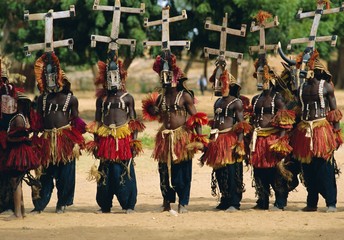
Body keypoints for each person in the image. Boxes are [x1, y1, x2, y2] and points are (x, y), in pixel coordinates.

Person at [142, 50, 208, 214]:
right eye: (163, 76)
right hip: (165, 139)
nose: (166, 79)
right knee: (164, 171)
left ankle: (183, 203)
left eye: (169, 75)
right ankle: (166, 202)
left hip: (182, 139)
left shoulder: (184, 96)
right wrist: (152, 109)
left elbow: (197, 118)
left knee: (183, 172)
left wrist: (199, 139)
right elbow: (155, 115)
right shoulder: (160, 98)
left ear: (175, 78)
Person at [86, 50, 144, 214]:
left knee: (125, 170)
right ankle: (105, 205)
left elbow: (133, 123)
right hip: (105, 140)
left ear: (121, 77)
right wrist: (96, 143)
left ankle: (128, 205)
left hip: (123, 139)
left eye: (115, 76)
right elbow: (97, 123)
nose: (113, 80)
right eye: (109, 76)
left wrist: (134, 142)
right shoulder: (102, 100)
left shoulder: (127, 98)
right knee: (104, 171)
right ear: (105, 78)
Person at [30, 52, 86, 214]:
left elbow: (75, 120)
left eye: (53, 77)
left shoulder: (70, 99)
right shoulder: (42, 99)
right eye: (47, 78)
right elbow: (39, 121)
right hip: (47, 140)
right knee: (44, 173)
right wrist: (33, 137)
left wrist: (81, 135)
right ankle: (39, 205)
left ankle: (62, 203)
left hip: (65, 140)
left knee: (66, 173)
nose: (50, 81)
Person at [290, 48, 342, 213]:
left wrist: (337, 133)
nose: (306, 71)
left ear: (315, 70)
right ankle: (311, 203)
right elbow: (298, 110)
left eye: (309, 68)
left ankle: (331, 203)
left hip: (321, 130)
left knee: (324, 168)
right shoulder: (300, 89)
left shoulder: (326, 87)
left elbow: (334, 111)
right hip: (304, 131)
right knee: (308, 168)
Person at [200, 56, 251, 212]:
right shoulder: (217, 102)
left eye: (223, 83)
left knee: (231, 171)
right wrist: (209, 142)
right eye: (219, 83)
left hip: (230, 140)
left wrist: (239, 144)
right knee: (220, 171)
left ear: (230, 85)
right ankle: (224, 199)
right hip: (218, 139)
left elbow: (242, 125)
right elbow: (215, 123)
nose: (220, 85)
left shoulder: (236, 102)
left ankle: (234, 202)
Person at [250, 56, 295, 211]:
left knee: (275, 171)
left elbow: (285, 119)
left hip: (273, 139)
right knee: (259, 171)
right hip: (259, 140)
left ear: (270, 77)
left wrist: (281, 142)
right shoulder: (255, 99)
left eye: (264, 76)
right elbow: (253, 120)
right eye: (259, 75)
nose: (261, 79)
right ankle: (262, 200)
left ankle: (280, 202)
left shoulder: (278, 98)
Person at [1, 92, 41, 220]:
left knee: (15, 182)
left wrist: (6, 139)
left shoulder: (18, 118)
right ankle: (21, 211)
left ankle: (17, 213)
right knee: (17, 181)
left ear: (20, 105)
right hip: (21, 153)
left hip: (18, 153)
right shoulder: (23, 117)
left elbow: (20, 138)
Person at [0, 63, 16, 213]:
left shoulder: (8, 91)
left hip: (5, 136)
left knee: (5, 171)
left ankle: (8, 204)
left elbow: (9, 115)